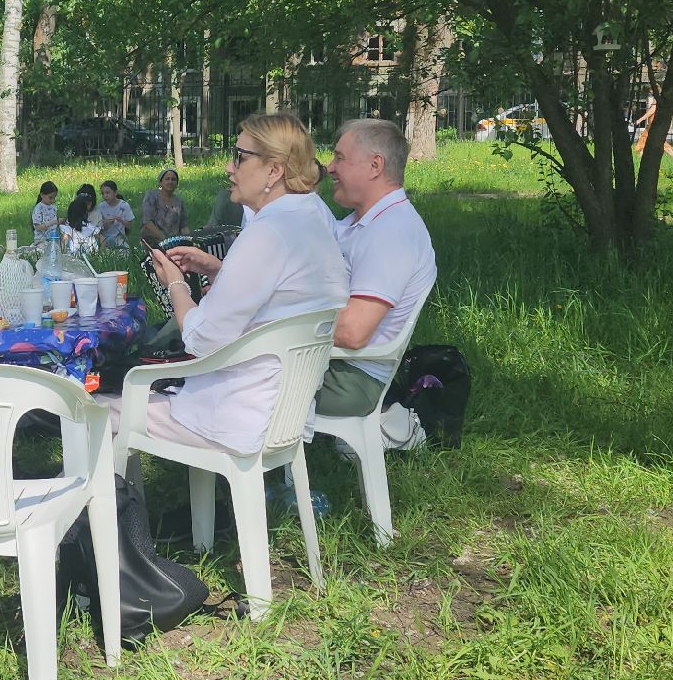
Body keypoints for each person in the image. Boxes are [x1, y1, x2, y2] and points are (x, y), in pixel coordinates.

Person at [110, 113, 347, 454]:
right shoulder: (312, 218)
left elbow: (200, 339)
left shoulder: (267, 233)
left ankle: (107, 489)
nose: (228, 167)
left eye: (240, 157)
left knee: (90, 409)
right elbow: (281, 300)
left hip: (231, 416)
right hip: (286, 413)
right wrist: (219, 270)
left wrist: (175, 283)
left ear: (274, 170)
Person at [319, 118, 437, 416]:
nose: (329, 168)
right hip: (331, 365)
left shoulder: (391, 232)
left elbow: (352, 332)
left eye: (340, 158)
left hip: (351, 379)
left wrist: (271, 319)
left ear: (375, 166)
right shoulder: (362, 222)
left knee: (229, 379)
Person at [140, 168, 187, 244]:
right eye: (167, 179)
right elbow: (147, 222)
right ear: (160, 182)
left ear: (177, 184)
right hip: (153, 241)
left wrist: (189, 239)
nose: (170, 182)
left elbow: (183, 226)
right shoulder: (151, 196)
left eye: (173, 179)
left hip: (174, 242)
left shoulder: (179, 201)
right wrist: (164, 239)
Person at [95, 180, 134, 248]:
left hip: (119, 238)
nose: (105, 196)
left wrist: (121, 220)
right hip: (103, 238)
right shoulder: (101, 206)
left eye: (107, 193)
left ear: (115, 193)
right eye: (103, 193)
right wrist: (105, 222)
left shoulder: (124, 206)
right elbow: (97, 226)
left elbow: (129, 226)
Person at [30, 180, 60, 245]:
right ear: (42, 195)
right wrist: (53, 222)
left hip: (53, 238)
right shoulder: (38, 208)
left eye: (54, 198)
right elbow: (38, 227)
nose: (52, 200)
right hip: (41, 240)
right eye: (50, 198)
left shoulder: (53, 208)